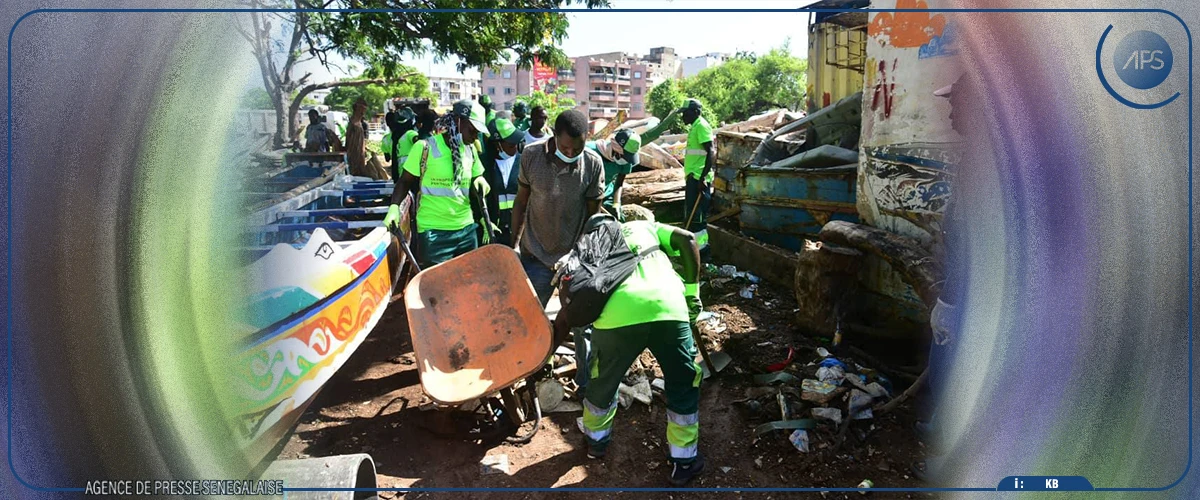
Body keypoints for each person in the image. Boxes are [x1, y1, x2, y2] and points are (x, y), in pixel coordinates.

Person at [567, 210, 706, 485]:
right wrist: (692, 292)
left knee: (602, 381)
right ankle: (684, 461)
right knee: (682, 384)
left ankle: (596, 445)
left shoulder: (596, 240)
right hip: (668, 308)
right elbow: (689, 239)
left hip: (616, 317)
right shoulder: (647, 227)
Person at [511, 109, 604, 306]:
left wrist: (578, 254)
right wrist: (515, 246)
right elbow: (521, 201)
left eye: (577, 149)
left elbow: (592, 217)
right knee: (529, 314)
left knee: (581, 321)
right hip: (535, 256)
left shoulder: (593, 164)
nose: (570, 153)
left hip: (573, 258)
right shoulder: (531, 155)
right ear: (554, 134)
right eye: (565, 147)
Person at [382, 99, 491, 267]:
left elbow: (476, 176)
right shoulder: (424, 147)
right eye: (473, 130)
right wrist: (394, 207)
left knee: (468, 284)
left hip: (466, 229)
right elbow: (404, 182)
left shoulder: (470, 150)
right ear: (458, 121)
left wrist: (480, 180)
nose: (476, 136)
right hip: (434, 232)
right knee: (437, 288)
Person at [680, 99, 714, 259]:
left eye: (685, 113)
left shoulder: (701, 126)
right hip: (693, 177)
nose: (682, 117)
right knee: (692, 216)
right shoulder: (694, 127)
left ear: (695, 112)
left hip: (699, 180)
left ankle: (703, 254)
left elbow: (711, 152)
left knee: (698, 218)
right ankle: (692, 251)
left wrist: (703, 178)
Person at [484, 118, 525, 246]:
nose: (516, 148)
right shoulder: (483, 165)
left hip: (519, 231)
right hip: (494, 231)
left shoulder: (524, 162)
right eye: (511, 144)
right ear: (497, 145)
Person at [586, 129, 642, 221]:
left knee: (617, 221)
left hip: (606, 195)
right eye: (624, 156)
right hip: (585, 197)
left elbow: (619, 182)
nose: (626, 161)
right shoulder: (589, 152)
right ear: (616, 148)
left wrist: (616, 203)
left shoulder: (626, 161)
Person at [345, 98, 370, 177]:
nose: (363, 112)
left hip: (360, 155)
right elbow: (348, 139)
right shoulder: (353, 123)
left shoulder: (360, 123)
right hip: (353, 155)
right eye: (361, 109)